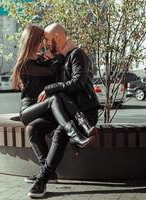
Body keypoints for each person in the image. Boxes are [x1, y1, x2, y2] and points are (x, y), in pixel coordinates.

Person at [11, 24, 98, 188]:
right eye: (42, 40)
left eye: (47, 40)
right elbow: (51, 73)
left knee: (36, 128)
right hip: (33, 108)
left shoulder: (72, 55)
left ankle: (46, 175)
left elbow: (69, 82)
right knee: (50, 107)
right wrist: (56, 56)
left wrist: (54, 58)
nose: (45, 44)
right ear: (33, 41)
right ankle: (75, 134)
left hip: (70, 108)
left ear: (57, 37)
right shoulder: (28, 63)